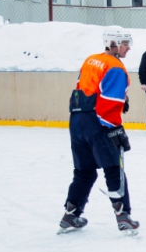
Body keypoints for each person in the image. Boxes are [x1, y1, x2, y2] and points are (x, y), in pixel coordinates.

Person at [58, 26, 139, 235]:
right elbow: (107, 105)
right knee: (113, 168)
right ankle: (123, 216)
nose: (128, 48)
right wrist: (115, 129)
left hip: (76, 120)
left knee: (84, 171)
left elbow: (82, 89)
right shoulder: (115, 67)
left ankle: (70, 215)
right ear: (112, 44)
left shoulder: (90, 60)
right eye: (124, 43)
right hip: (96, 122)